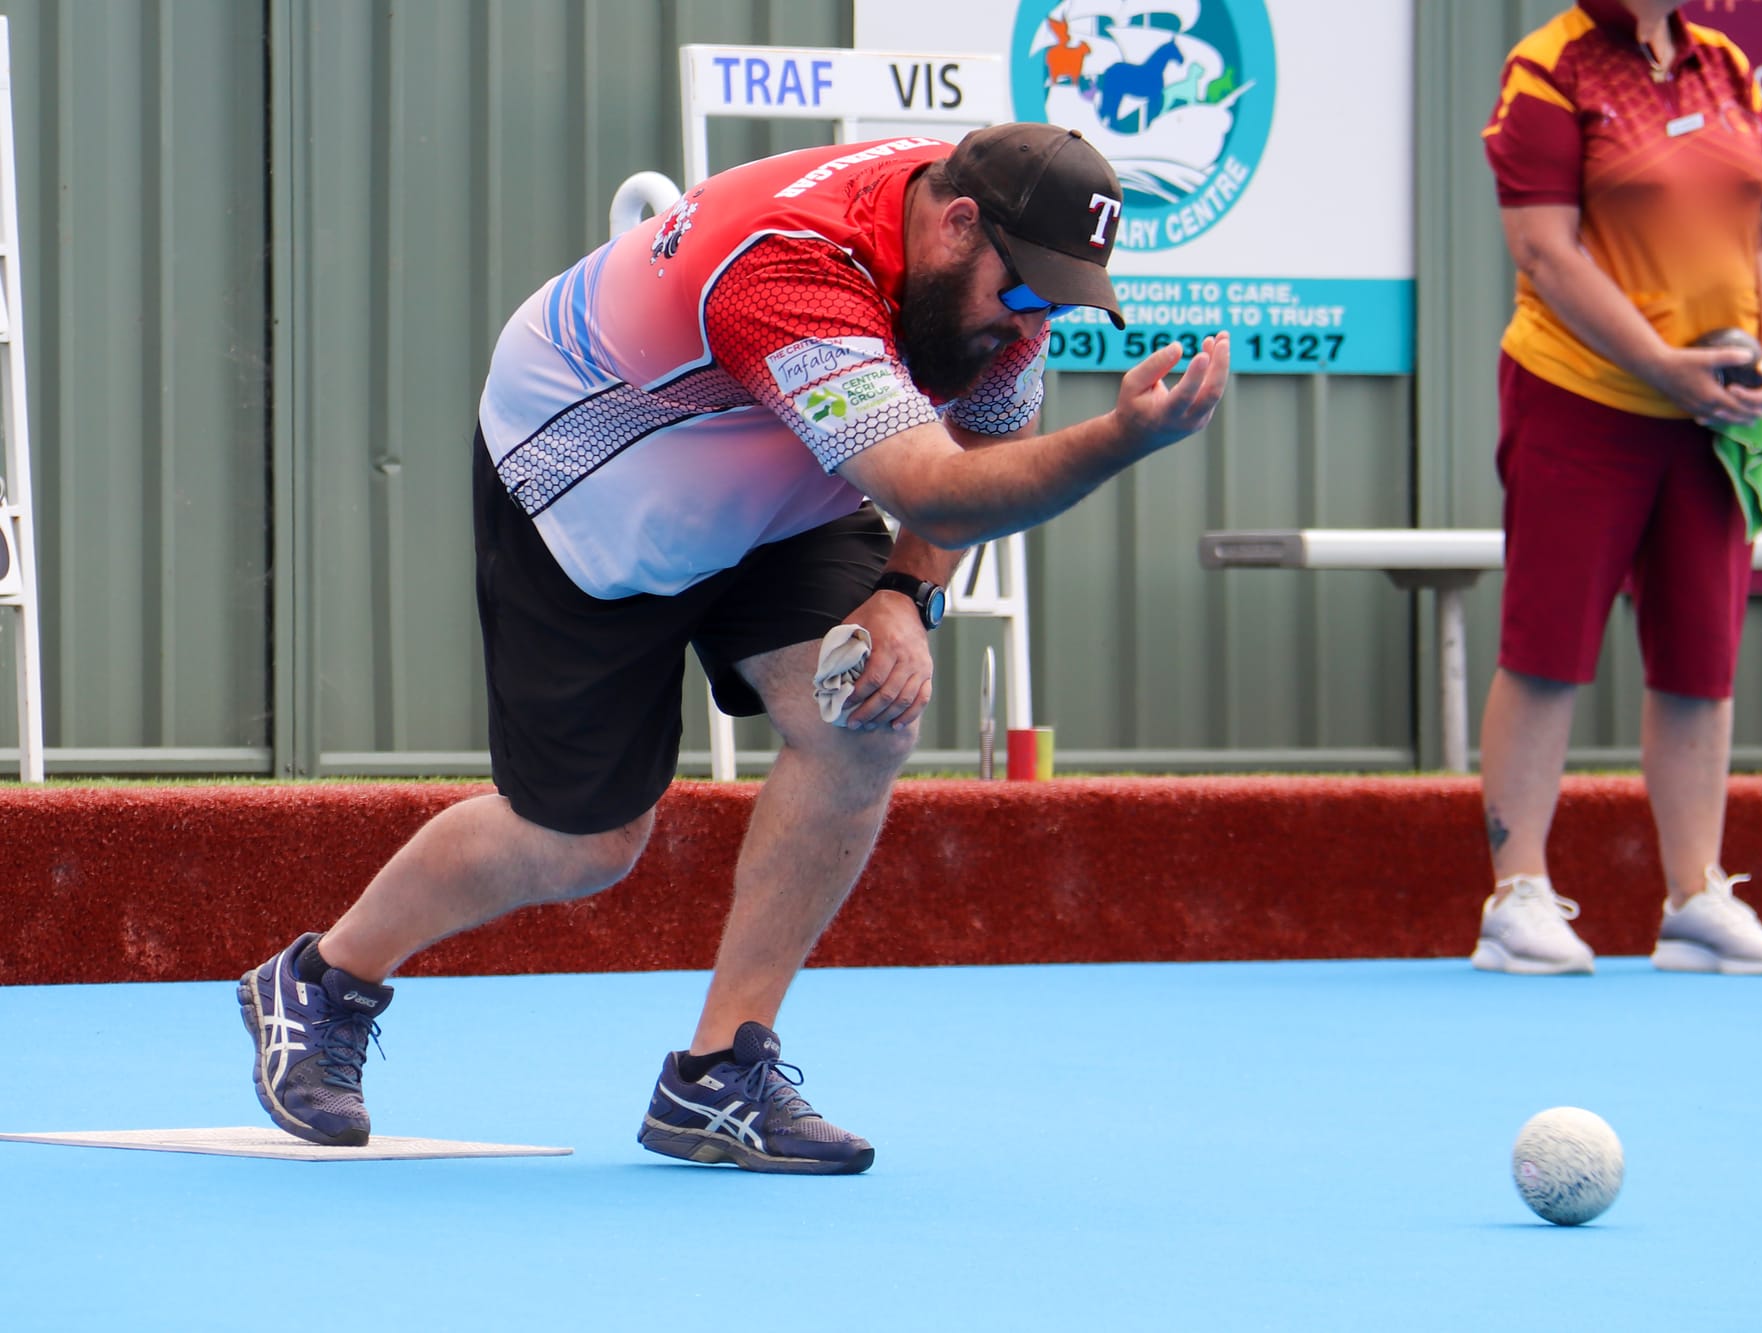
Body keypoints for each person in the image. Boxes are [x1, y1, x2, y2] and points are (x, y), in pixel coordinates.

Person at [236, 123, 1230, 1173]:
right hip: (594, 478)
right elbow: (938, 485)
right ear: (954, 224)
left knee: (859, 718)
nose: (1028, 323)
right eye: (1022, 292)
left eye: (1056, 301)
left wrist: (904, 594)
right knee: (584, 842)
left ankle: (718, 1076)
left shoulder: (993, 266)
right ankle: (324, 978)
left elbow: (979, 439)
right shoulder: (787, 265)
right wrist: (1121, 440)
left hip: (784, 478)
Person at [1470, 0, 1762, 976]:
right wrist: (1659, 361)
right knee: (1546, 648)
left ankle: (1695, 894)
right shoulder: (1548, 69)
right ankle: (1515, 895)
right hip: (1580, 396)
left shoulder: (1725, 64)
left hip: (1715, 410)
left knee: (1700, 658)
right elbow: (1542, 248)